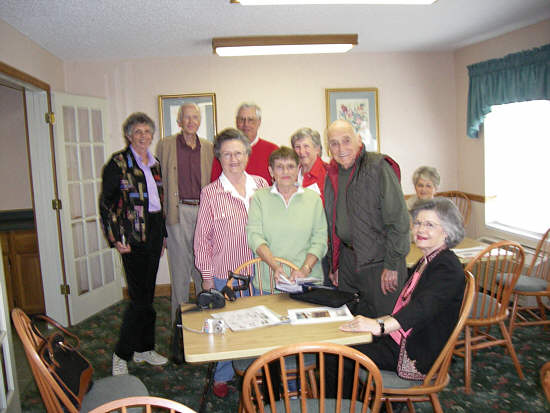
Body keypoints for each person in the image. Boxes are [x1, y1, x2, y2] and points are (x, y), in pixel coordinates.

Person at [326, 197, 466, 397]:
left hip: (414, 352)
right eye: (417, 223)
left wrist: (379, 326)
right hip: (399, 340)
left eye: (429, 225)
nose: (420, 229)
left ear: (447, 231)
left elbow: (422, 308)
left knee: (337, 354)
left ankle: (345, 406)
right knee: (343, 340)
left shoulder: (447, 267)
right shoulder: (428, 260)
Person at [194, 128, 268, 398]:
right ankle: (222, 375)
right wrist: (206, 276)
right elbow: (203, 239)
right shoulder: (211, 193)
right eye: (227, 154)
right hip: (227, 275)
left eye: (238, 153)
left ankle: (258, 371)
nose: (234, 159)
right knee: (226, 327)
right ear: (219, 158)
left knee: (259, 325)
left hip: (261, 273)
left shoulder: (262, 185)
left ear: (247, 155)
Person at [99, 112, 168, 376]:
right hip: (131, 233)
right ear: (129, 135)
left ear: (152, 136)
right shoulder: (118, 163)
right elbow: (106, 204)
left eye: (147, 132)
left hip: (152, 231)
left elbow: (158, 203)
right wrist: (116, 237)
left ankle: (144, 349)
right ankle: (122, 353)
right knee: (139, 299)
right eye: (137, 132)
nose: (143, 136)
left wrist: (162, 235)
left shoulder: (155, 163)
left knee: (147, 295)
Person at [324, 120, 409, 318]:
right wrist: (334, 264)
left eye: (346, 140)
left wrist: (392, 264)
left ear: (359, 140)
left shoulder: (378, 167)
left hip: (380, 263)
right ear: (329, 148)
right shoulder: (332, 174)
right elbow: (332, 225)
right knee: (351, 325)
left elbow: (399, 220)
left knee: (386, 326)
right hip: (348, 262)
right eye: (334, 143)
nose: (341, 148)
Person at [157, 103, 214, 321]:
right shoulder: (166, 144)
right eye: (186, 118)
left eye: (195, 118)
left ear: (200, 121)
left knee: (204, 268)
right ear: (179, 121)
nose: (191, 122)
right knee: (180, 272)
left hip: (203, 212)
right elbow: (160, 184)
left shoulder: (208, 147)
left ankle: (206, 318)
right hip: (178, 212)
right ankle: (178, 327)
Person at [247, 147, 327, 291]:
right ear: (271, 171)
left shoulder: (313, 199)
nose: (285, 172)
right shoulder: (259, 198)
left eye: (290, 166)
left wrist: (304, 270)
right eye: (280, 167)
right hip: (269, 283)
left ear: (298, 169)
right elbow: (255, 238)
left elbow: (320, 241)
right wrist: (276, 267)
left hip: (307, 283)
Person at [211, 103, 278, 184]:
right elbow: (214, 182)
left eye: (250, 120)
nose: (246, 124)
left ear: (259, 122)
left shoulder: (273, 150)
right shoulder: (223, 150)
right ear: (236, 121)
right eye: (242, 120)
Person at [290, 127, 328, 201]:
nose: (301, 151)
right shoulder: (291, 173)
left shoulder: (328, 174)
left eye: (306, 146)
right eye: (297, 147)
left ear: (317, 149)